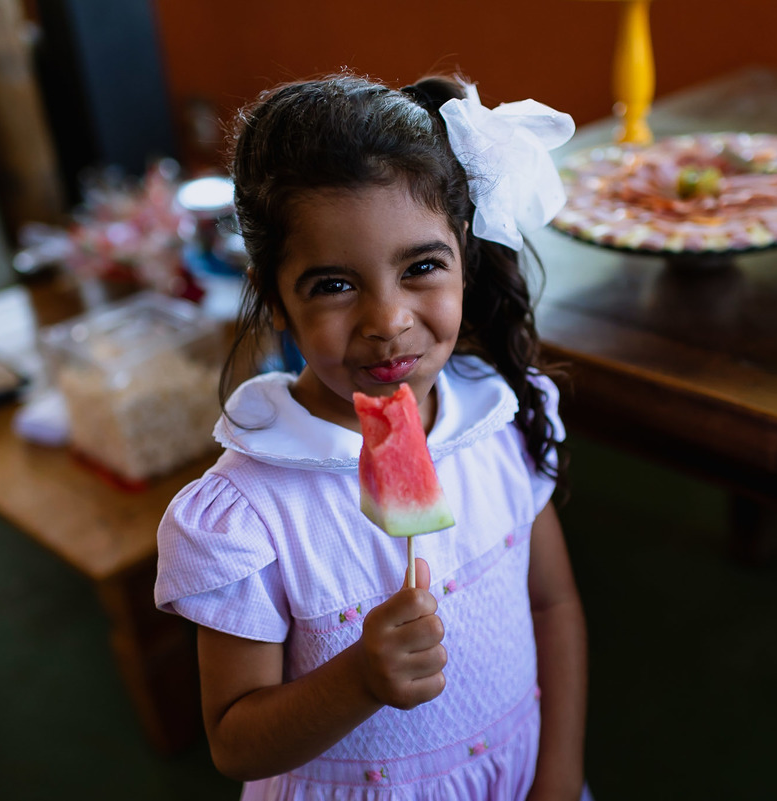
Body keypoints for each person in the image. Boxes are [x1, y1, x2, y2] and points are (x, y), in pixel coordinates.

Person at [156, 71, 591, 800]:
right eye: (333, 284)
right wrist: (357, 679)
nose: (387, 321)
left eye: (421, 266)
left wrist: (556, 777)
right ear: (275, 298)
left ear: (464, 255)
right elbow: (235, 740)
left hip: (520, 773)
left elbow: (555, 606)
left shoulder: (497, 424)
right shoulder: (249, 513)